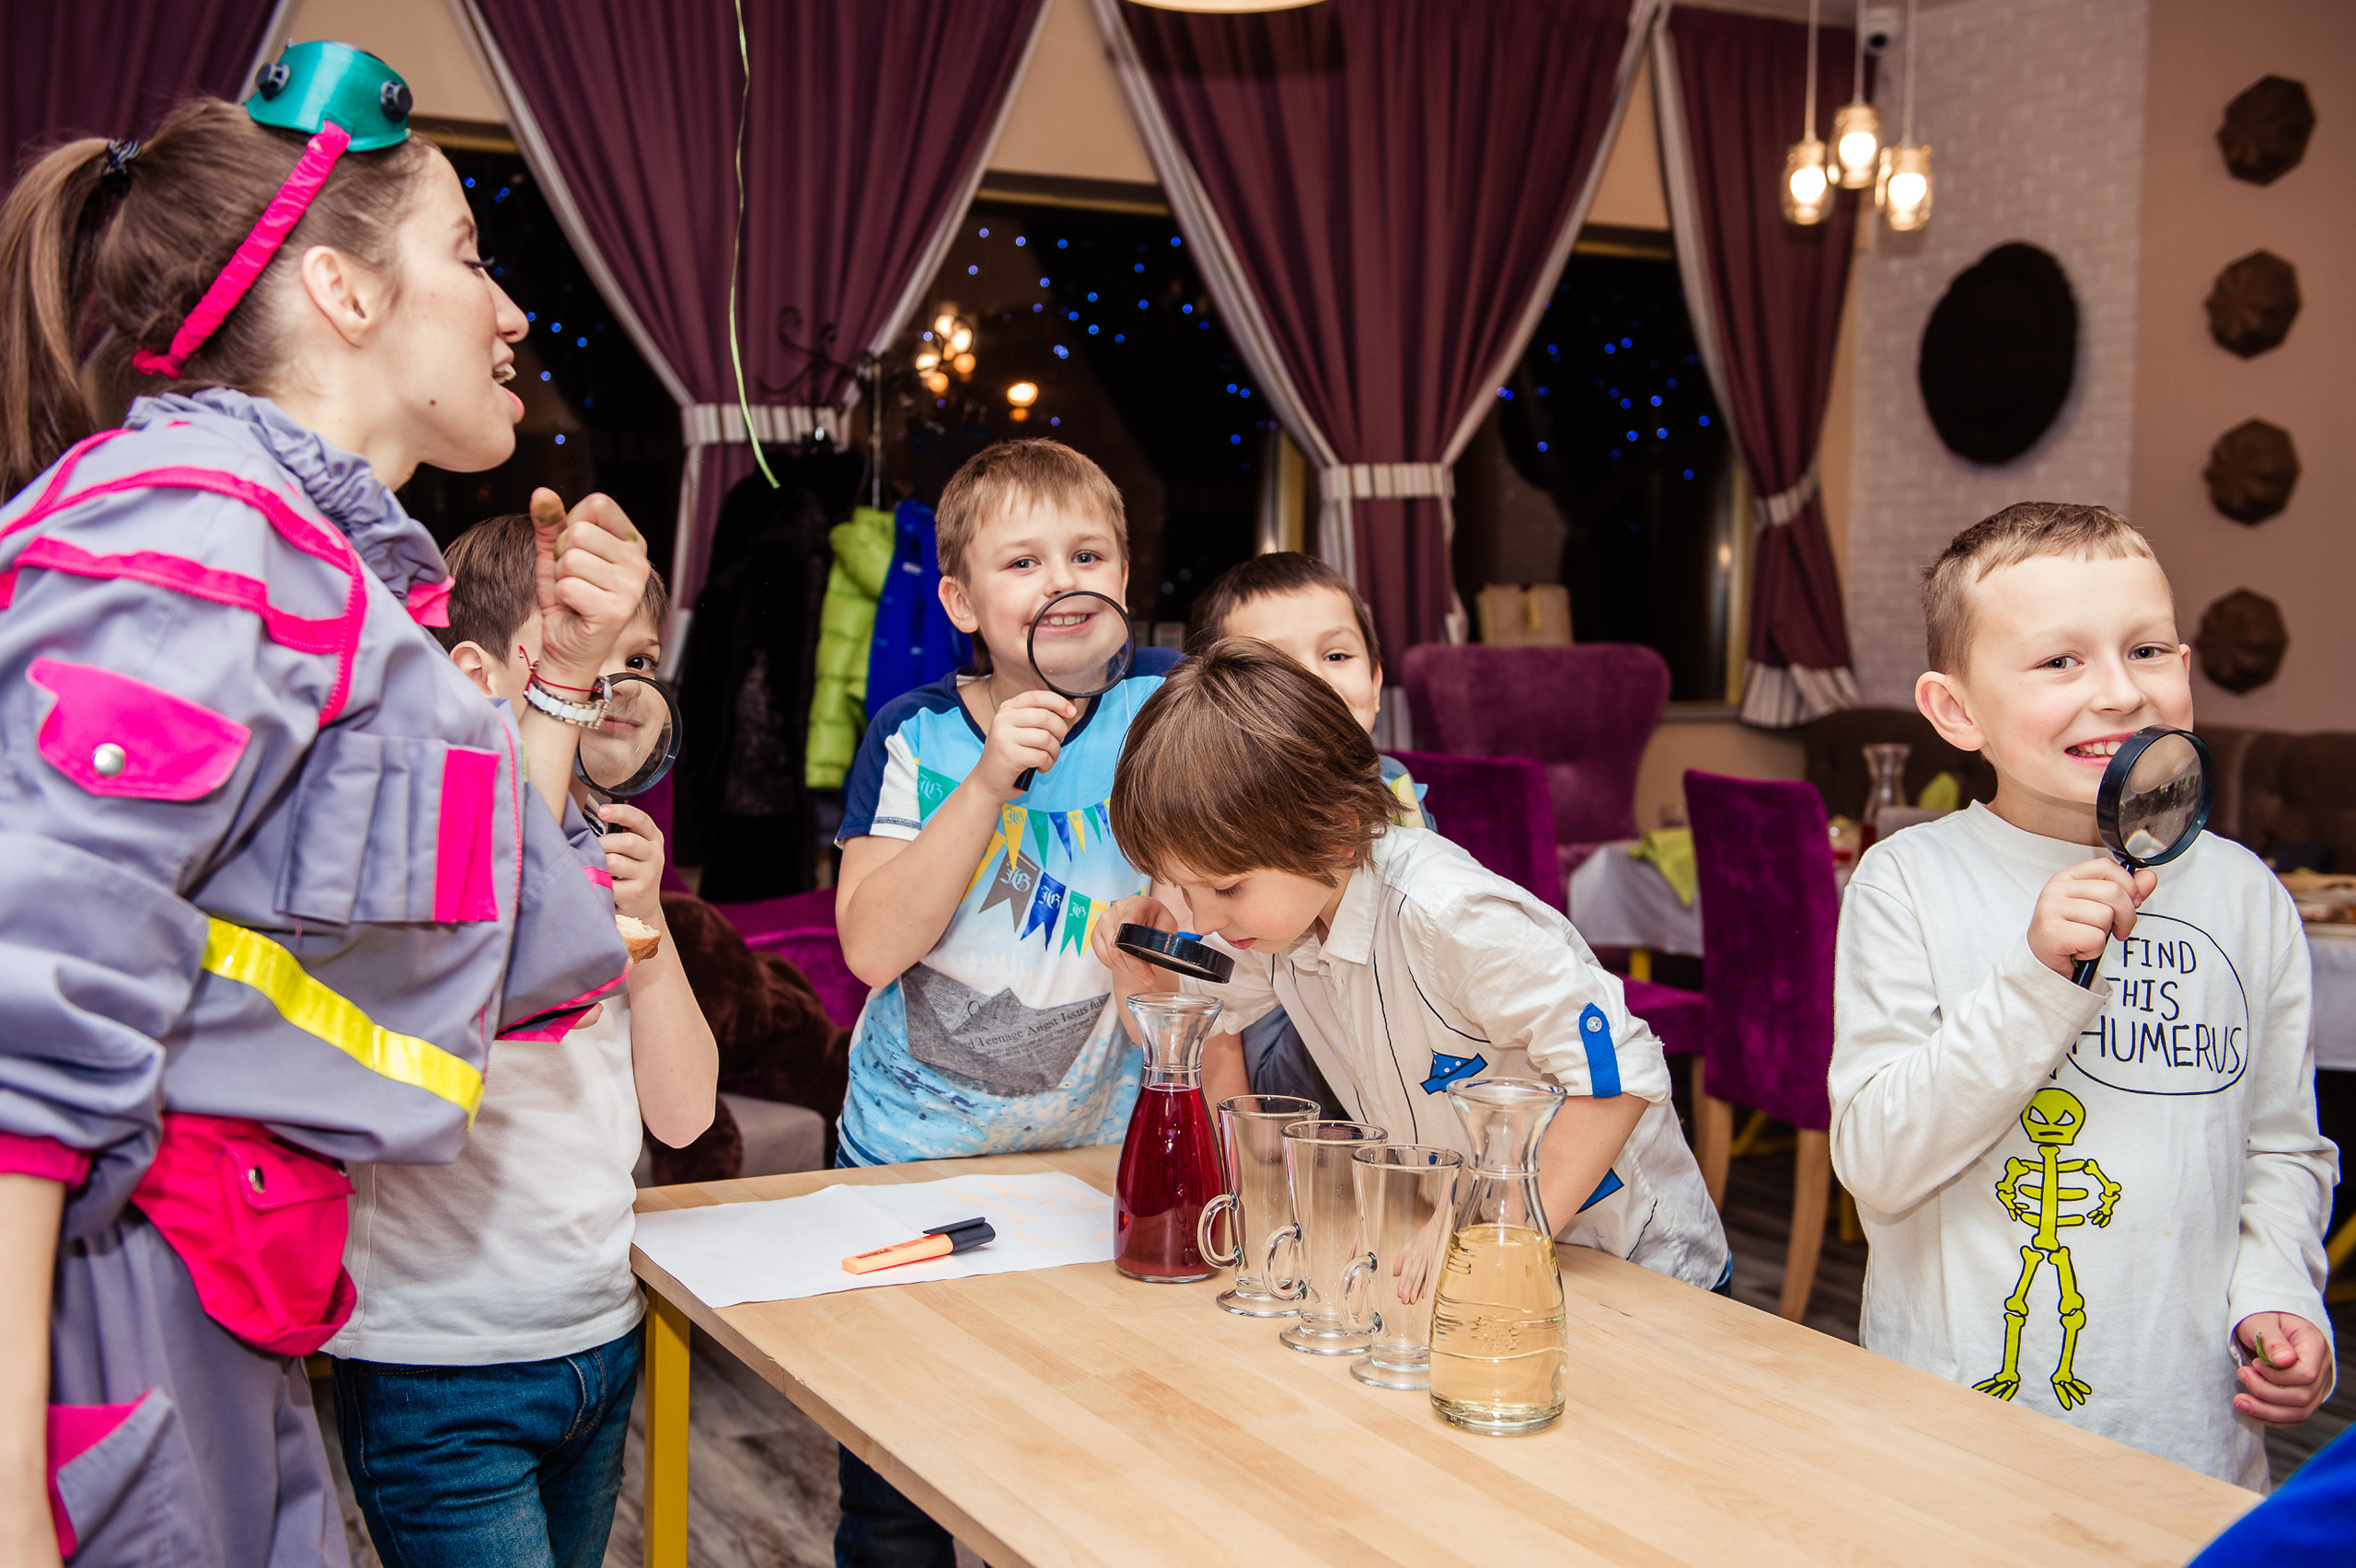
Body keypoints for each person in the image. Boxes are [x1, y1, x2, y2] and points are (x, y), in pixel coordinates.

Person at [0, 44, 638, 1566]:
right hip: (111, 1304)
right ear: (345, 292)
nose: (511, 311)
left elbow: (496, 938)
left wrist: (555, 690)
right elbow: (23, 1015)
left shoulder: (320, 570)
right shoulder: (185, 529)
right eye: (471, 258)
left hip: (232, 1289)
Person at [1831, 502, 2335, 1489]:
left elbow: (2281, 1144)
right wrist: (2032, 982)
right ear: (1954, 710)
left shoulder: (2246, 895)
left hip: (2186, 1432)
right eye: (2058, 662)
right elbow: (1878, 1162)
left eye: (2145, 649)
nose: (2116, 692)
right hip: (1955, 1432)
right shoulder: (1907, 882)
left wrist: (2281, 1291)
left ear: (2184, 669)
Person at [1094, 640, 1730, 1293]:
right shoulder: (1276, 922)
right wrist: (1136, 959)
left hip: (1639, 1263)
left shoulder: (1451, 916)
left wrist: (1491, 1224)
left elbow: (1622, 1077)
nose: (1202, 919)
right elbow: (1191, 1041)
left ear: (1338, 830)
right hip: (1481, 1251)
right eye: (1185, 887)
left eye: (1225, 888)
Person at [325, 515, 718, 1567]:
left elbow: (682, 1115)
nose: (614, 690)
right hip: (438, 1362)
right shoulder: (409, 843)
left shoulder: (609, 857)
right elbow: (478, 952)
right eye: (579, 657)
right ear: (477, 674)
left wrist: (654, 935)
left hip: (595, 1334)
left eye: (634, 663)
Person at [830, 439, 1178, 1565]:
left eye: (1087, 553)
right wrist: (986, 782)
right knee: (897, 1490)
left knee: (1088, 1462)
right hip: (908, 1163)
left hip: (1090, 1164)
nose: (1060, 582)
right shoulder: (916, 734)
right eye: (1022, 563)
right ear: (962, 601)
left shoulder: (1163, 711)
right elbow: (873, 949)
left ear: (1124, 576)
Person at [1185, 552, 1432, 1115]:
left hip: (1399, 1072)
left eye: (1336, 655)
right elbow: (1213, 1010)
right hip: (1277, 1058)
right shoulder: (1210, 810)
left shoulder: (1398, 791)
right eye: (1274, 665)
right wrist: (1241, 1142)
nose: (1313, 681)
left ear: (1373, 681)